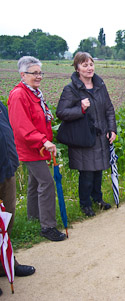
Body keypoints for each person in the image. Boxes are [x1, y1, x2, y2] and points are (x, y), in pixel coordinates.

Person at [7, 56, 66, 241]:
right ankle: (47, 226)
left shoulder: (34, 93)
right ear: (23, 75)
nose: (39, 76)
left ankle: (33, 218)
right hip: (31, 148)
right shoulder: (18, 95)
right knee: (47, 183)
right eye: (34, 73)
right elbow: (21, 126)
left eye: (40, 73)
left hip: (37, 147)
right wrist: (43, 141)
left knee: (34, 183)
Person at [56, 52, 117, 217]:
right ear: (77, 68)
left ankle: (98, 199)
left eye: (91, 64)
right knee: (87, 173)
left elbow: (109, 109)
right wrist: (80, 109)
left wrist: (112, 129)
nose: (89, 68)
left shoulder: (100, 85)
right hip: (83, 138)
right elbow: (61, 112)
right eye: (85, 65)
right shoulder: (71, 89)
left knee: (98, 171)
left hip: (100, 136)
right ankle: (85, 204)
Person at [0, 101, 36, 294]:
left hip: (6, 171)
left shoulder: (0, 106)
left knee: (7, 222)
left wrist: (13, 161)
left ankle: (6, 264)